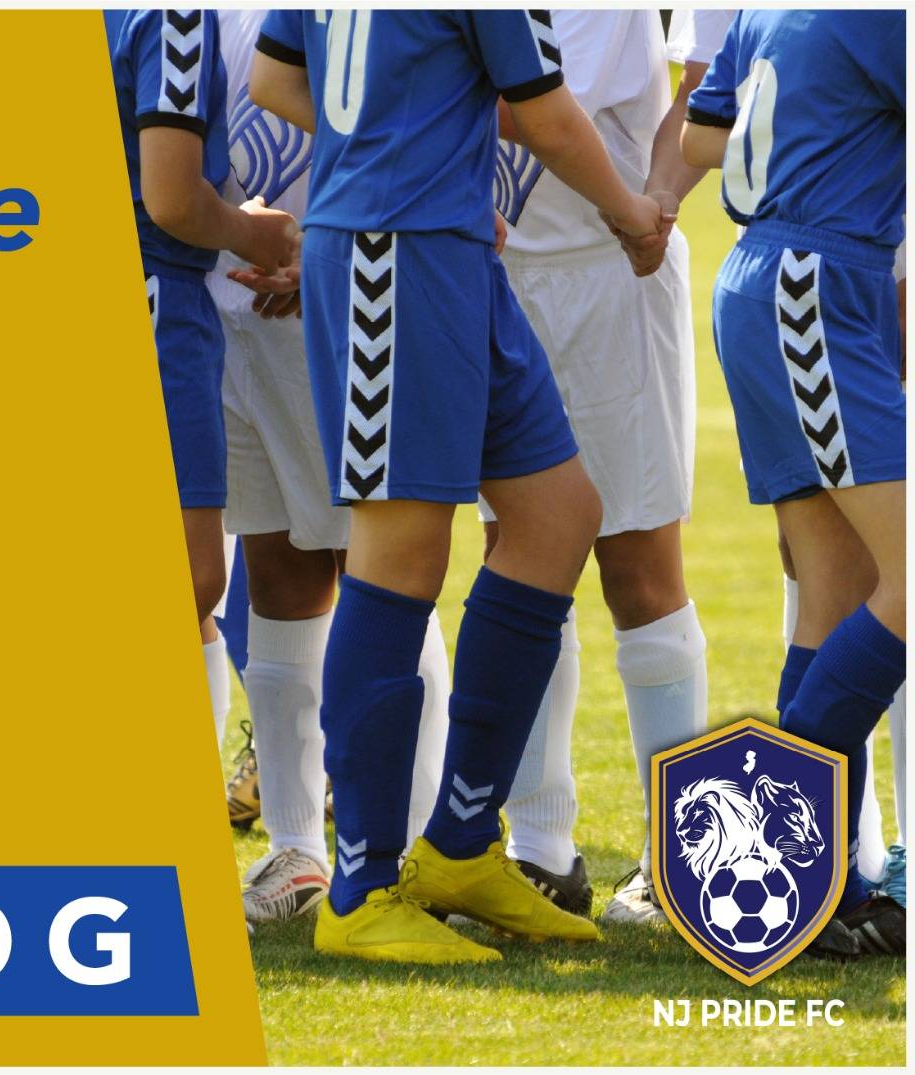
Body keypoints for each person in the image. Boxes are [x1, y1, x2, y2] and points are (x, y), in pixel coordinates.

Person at [251, 8, 669, 963]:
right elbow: (552, 118)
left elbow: (278, 81)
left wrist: (417, 143)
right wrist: (632, 210)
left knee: (559, 515)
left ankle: (462, 844)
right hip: (389, 256)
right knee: (399, 552)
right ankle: (358, 889)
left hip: (445, 249)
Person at [206, 7, 453, 927]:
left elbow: (408, 111)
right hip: (219, 311)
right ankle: (297, 846)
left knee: (378, 562)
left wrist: (322, 250)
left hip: (339, 290)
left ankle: (424, 839)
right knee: (275, 570)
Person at [683, 7, 907, 959]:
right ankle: (775, 854)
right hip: (816, 280)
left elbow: (699, 127)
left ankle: (826, 887)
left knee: (836, 589)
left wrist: (652, 203)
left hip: (785, 276)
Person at [486, 9, 707, 925]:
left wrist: (645, 203)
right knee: (517, 553)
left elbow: (534, 105)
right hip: (501, 272)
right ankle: (539, 848)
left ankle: (683, 855)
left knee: (640, 566)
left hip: (611, 269)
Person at [105, 9, 300, 773]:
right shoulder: (172, 13)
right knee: (188, 581)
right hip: (157, 298)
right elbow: (175, 200)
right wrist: (260, 234)